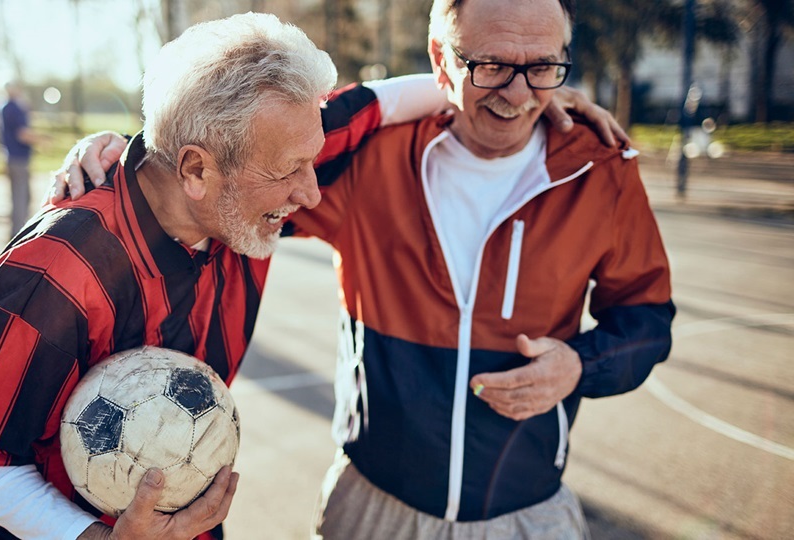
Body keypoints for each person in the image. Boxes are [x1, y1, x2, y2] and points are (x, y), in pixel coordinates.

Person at [62, 0, 674, 538]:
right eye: (491, 65)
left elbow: (647, 319)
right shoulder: (370, 160)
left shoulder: (602, 171)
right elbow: (231, 164)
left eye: (542, 66)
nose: (517, 93)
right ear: (441, 58)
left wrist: (580, 366)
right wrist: (130, 152)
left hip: (528, 516)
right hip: (373, 510)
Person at [0, 14, 338, 540]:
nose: (311, 193)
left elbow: (414, 99)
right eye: (288, 171)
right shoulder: (58, 269)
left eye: (313, 161)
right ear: (195, 171)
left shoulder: (255, 181)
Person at [0, 74, 44, 237]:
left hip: (9, 156)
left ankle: (16, 231)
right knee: (22, 199)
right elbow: (23, 134)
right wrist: (42, 139)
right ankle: (20, 234)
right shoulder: (14, 108)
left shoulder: (2, 106)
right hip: (18, 158)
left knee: (17, 197)